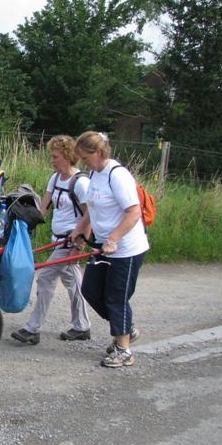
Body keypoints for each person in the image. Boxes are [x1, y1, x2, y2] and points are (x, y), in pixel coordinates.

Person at [69, 131, 149, 368]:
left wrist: (113, 239)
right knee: (91, 290)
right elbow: (92, 208)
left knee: (116, 296)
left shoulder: (118, 175)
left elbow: (133, 211)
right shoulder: (95, 173)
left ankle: (124, 350)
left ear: (99, 152)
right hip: (104, 246)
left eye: (84, 157)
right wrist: (79, 228)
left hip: (126, 248)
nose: (82, 162)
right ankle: (126, 327)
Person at [11, 135, 92, 345]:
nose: (52, 160)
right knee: (73, 283)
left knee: (45, 276)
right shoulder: (55, 179)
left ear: (67, 157)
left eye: (55, 157)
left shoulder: (81, 183)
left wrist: (79, 246)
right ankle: (82, 326)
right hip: (59, 239)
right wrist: (23, 225)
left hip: (70, 241)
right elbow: (43, 209)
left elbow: (90, 216)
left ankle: (32, 328)